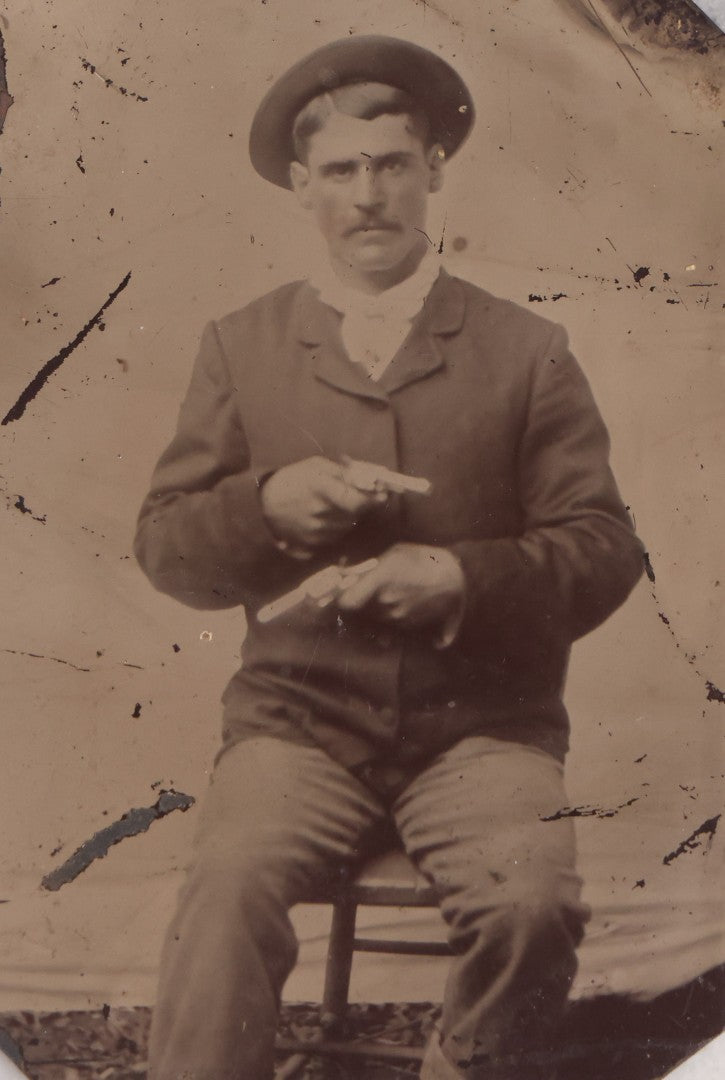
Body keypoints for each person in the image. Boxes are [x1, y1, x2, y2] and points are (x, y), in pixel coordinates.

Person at [134, 35, 644, 1080]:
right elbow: (168, 550)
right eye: (338, 171)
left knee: (532, 902)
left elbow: (602, 548)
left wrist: (461, 578)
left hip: (482, 729)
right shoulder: (242, 344)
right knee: (224, 891)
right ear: (298, 186)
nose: (366, 196)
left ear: (431, 172)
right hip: (297, 727)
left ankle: (459, 1064)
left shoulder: (525, 350)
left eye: (390, 164)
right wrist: (266, 506)